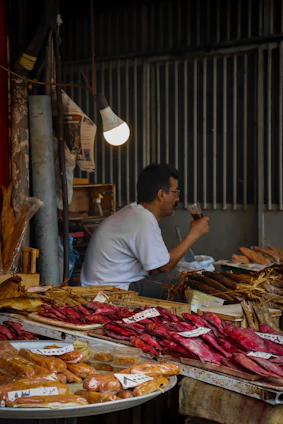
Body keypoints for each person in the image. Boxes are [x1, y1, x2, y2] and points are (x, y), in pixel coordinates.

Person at [80, 163, 210, 299]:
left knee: (176, 275)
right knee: (176, 281)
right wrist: (194, 233)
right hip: (108, 291)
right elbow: (165, 267)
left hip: (106, 286)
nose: (177, 198)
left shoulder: (136, 214)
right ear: (161, 194)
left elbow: (156, 267)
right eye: (175, 193)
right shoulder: (142, 219)